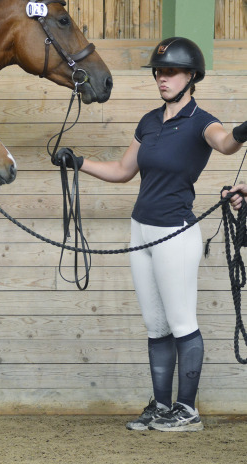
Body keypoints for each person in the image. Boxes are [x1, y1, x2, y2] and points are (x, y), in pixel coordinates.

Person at [53, 36, 247, 432]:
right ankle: (161, 406)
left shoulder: (202, 122)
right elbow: (124, 171)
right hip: (140, 229)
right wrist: (79, 161)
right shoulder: (148, 121)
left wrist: (244, 130)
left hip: (175, 232)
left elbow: (226, 145)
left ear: (191, 76)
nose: (163, 78)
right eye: (159, 72)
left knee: (181, 322)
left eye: (171, 72)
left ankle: (187, 410)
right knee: (155, 325)